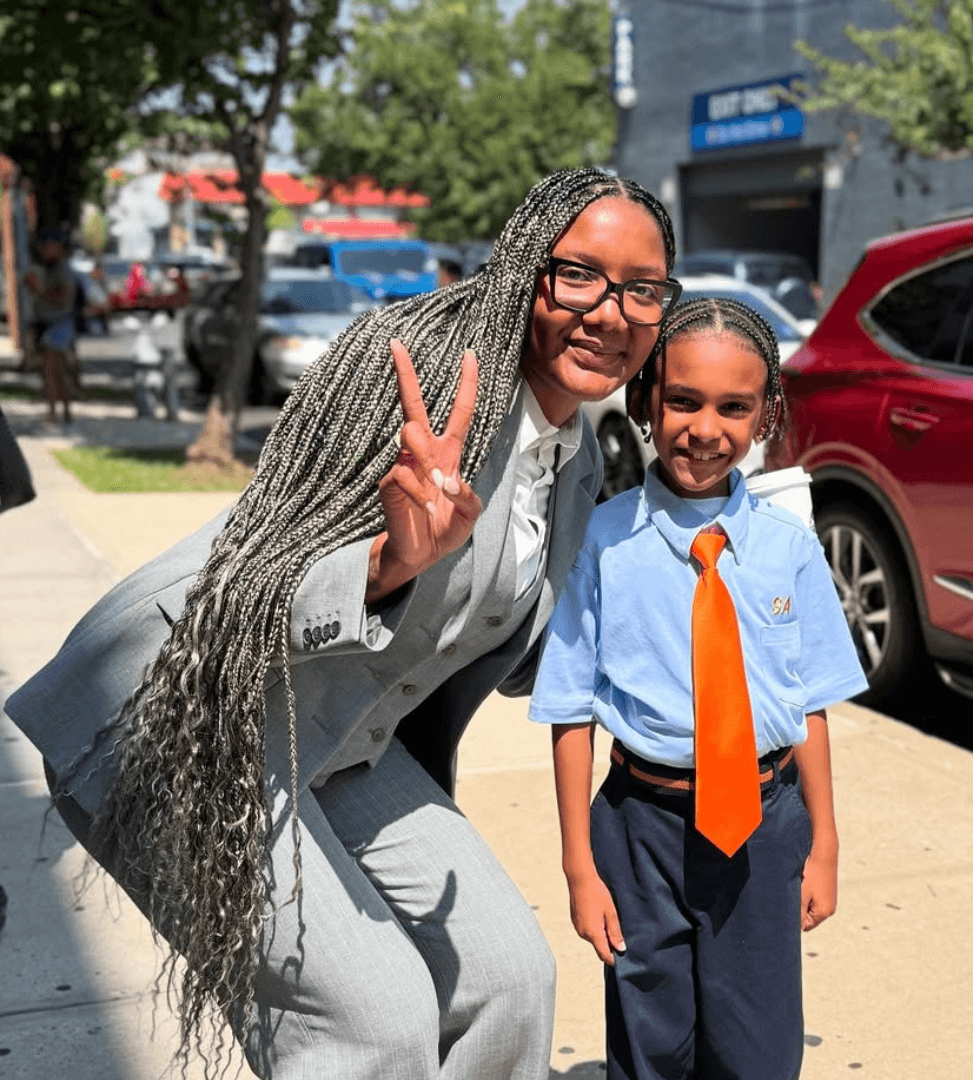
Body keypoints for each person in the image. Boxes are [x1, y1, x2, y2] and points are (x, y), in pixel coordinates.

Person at [4, 168, 680, 1080]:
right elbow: (252, 582)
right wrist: (388, 564)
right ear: (526, 269)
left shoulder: (576, 461)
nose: (611, 311)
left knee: (511, 979)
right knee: (374, 1023)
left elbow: (519, 658)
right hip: (186, 709)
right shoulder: (416, 380)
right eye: (581, 275)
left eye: (643, 290)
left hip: (335, 737)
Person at [528, 297, 869, 1080]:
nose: (705, 429)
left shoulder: (788, 549)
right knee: (651, 1043)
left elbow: (807, 702)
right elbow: (569, 711)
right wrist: (580, 867)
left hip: (763, 823)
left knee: (757, 1047)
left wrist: (826, 843)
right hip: (638, 827)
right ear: (647, 400)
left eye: (733, 407)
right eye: (682, 400)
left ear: (765, 414)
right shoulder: (603, 543)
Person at [23, 227, 79, 424]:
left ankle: (58, 412)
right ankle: (59, 411)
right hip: (48, 325)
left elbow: (63, 299)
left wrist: (39, 291)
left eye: (48, 246)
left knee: (54, 370)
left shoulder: (63, 270)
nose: (43, 250)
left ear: (58, 248)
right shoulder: (50, 268)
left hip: (58, 325)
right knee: (51, 371)